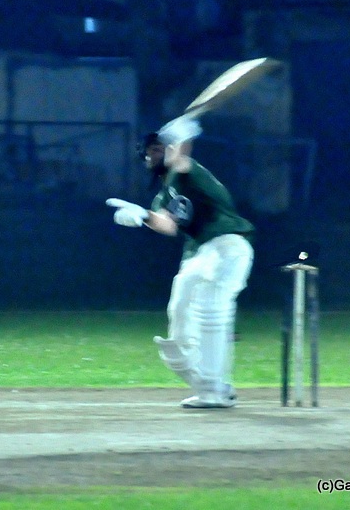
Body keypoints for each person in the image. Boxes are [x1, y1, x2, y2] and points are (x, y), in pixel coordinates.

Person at [107, 115, 254, 408]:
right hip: (199, 253)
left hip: (227, 245)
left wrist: (182, 136)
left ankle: (213, 392)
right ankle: (213, 386)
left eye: (156, 148)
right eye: (147, 152)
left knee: (212, 307)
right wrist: (144, 216)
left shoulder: (186, 171)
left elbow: (182, 158)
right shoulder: (164, 194)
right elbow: (168, 225)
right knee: (180, 318)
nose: (151, 154)